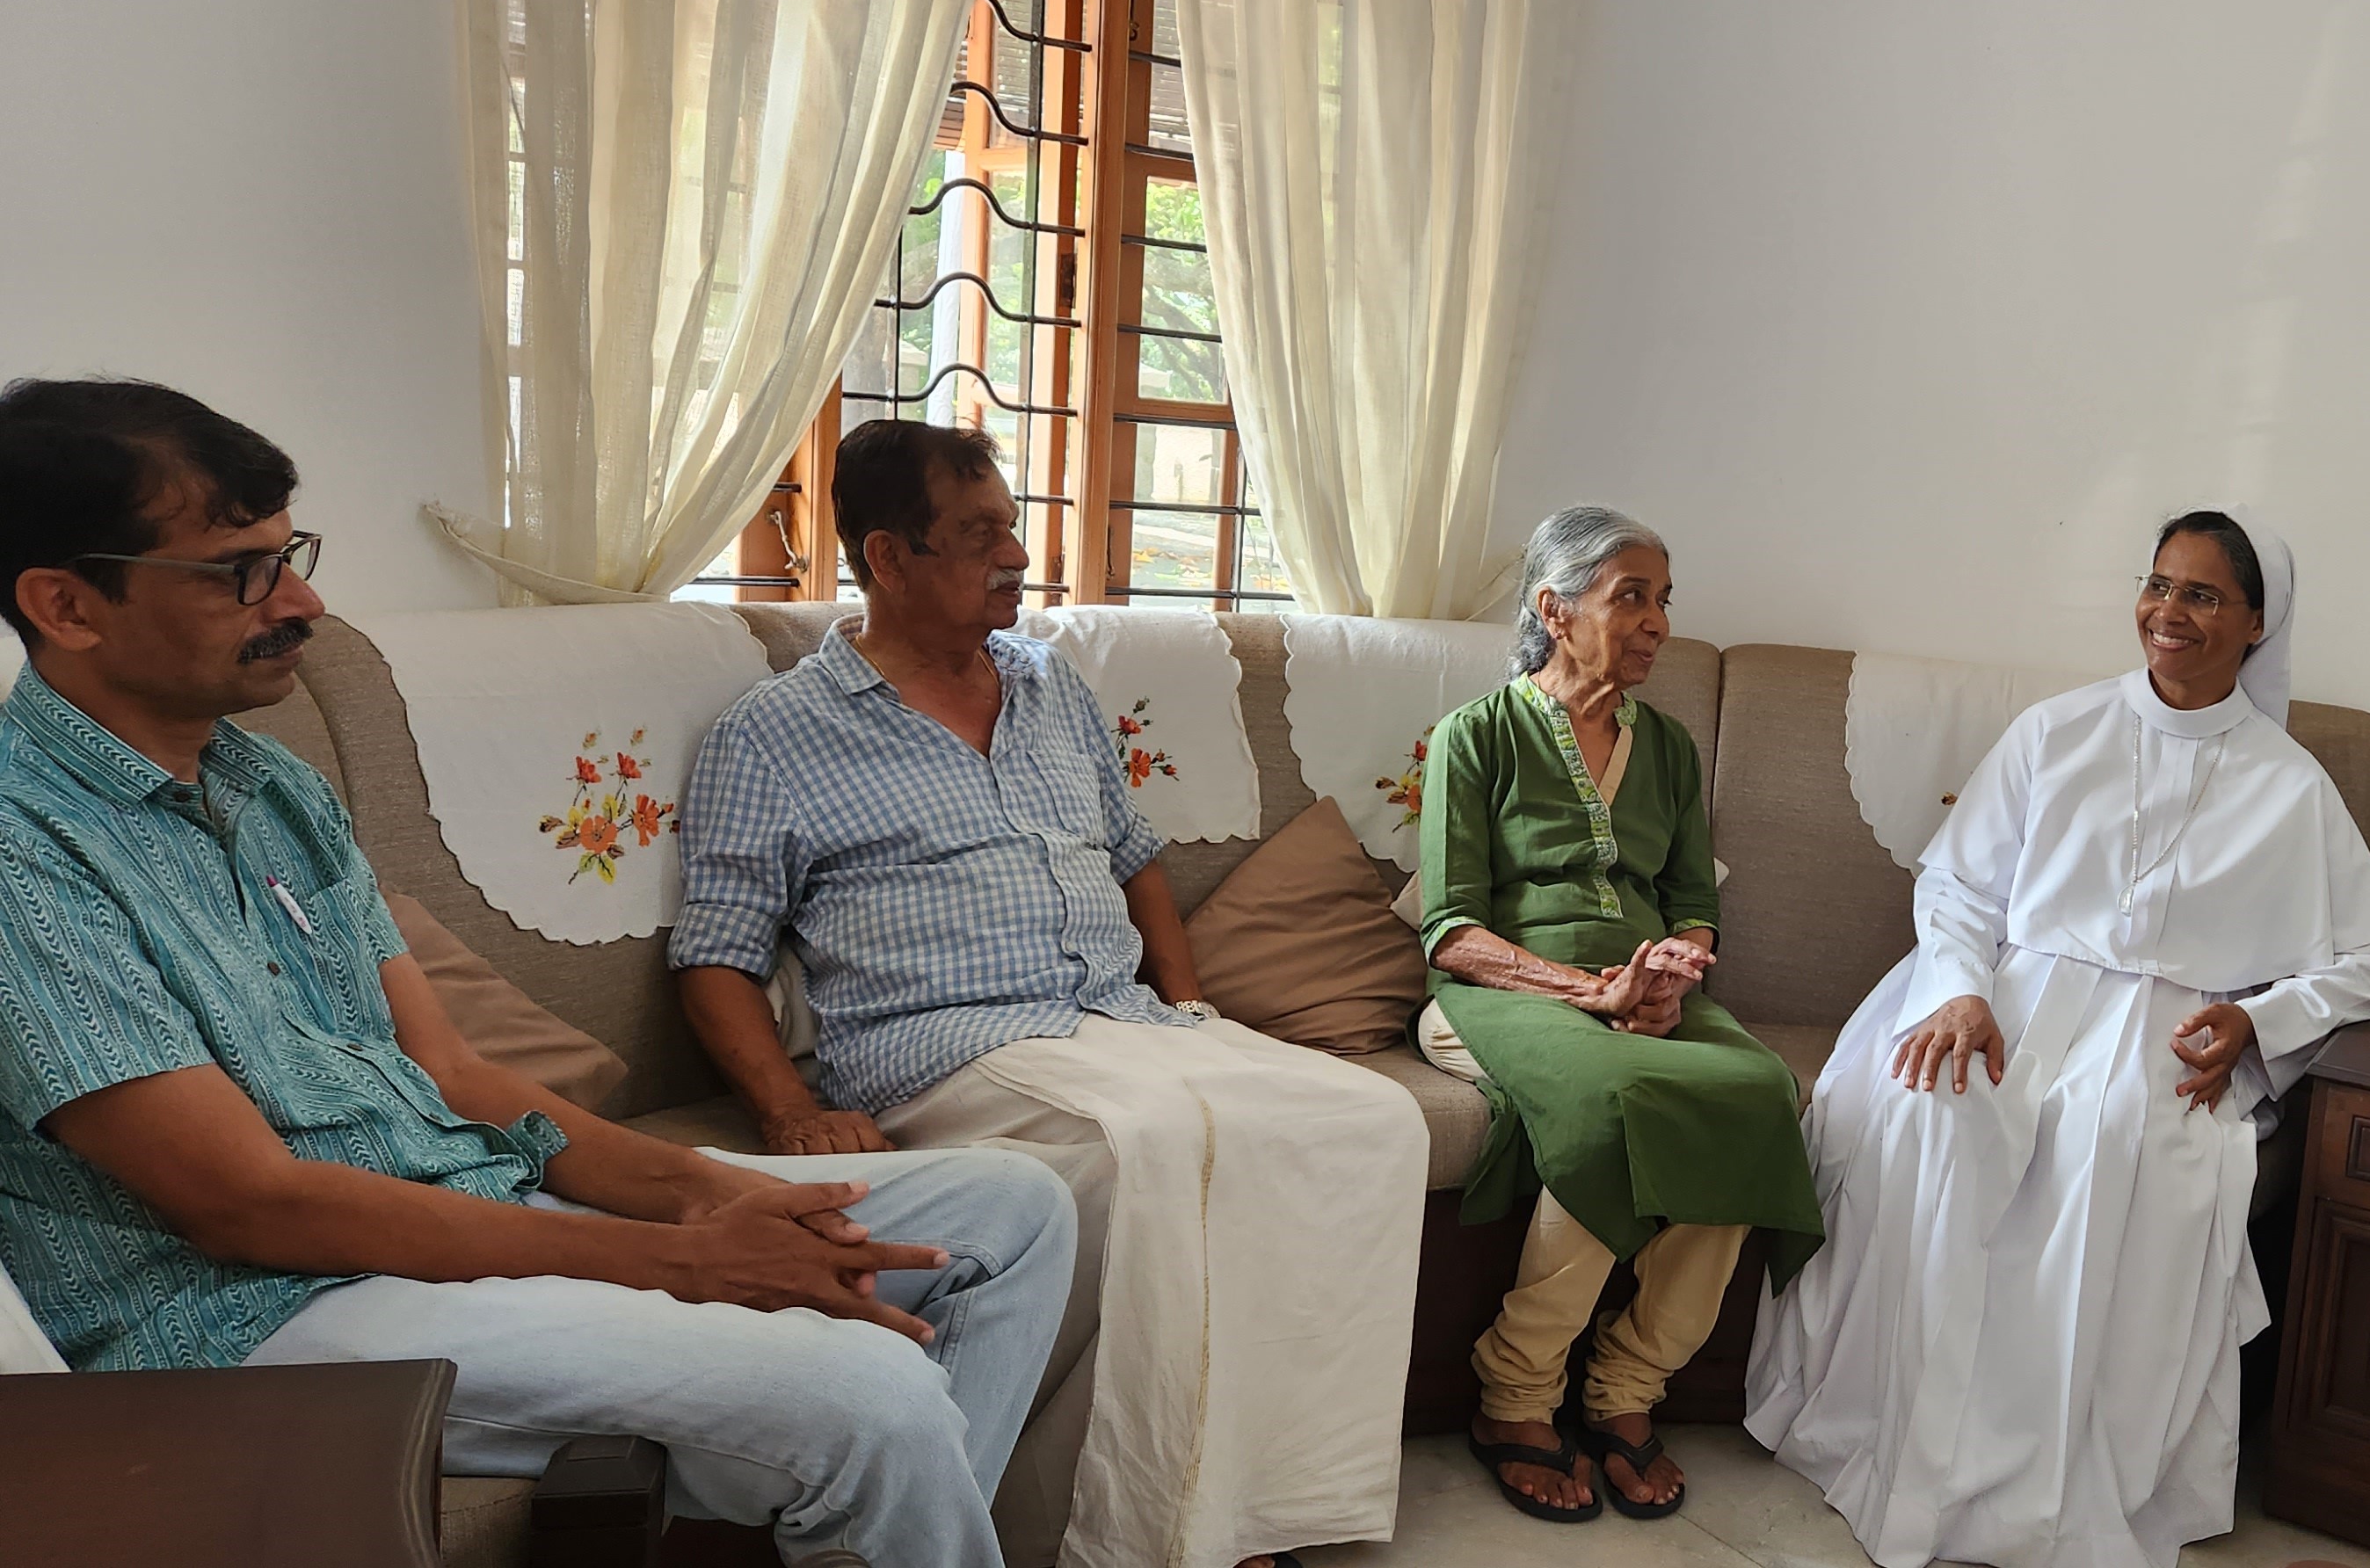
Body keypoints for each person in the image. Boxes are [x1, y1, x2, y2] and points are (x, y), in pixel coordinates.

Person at [0, 378, 1081, 1568]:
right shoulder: (22, 850)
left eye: (289, 553)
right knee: (870, 1392)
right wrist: (684, 1261)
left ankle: (869, 1523)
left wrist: (705, 1195)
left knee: (1014, 1206)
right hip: (254, 1307)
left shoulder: (274, 789)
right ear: (65, 604)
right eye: (238, 571)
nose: (302, 602)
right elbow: (248, 1202)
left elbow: (454, 1072)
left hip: (467, 1201)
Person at [668, 419, 1425, 1568]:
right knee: (1149, 1145)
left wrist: (1195, 1011)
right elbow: (713, 956)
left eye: (1012, 529)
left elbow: (1136, 861)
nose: (1015, 556)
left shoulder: (1048, 687)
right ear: (888, 557)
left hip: (1120, 1021)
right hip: (946, 1047)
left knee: (1365, 1118)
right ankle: (1112, 1530)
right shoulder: (773, 735)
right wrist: (786, 1110)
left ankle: (1265, 1502)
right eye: (980, 536)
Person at [1746, 507, 2370, 1568]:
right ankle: (1906, 1433)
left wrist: (2253, 1022)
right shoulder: (2059, 731)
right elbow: (1960, 883)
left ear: (2254, 622)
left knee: (2118, 1150)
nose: (2168, 612)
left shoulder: (2290, 784)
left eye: (2201, 594)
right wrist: (1959, 992)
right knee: (1934, 1108)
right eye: (2158, 585)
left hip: (2164, 1028)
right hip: (2010, 996)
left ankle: (2043, 1477)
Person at [1414, 504, 1822, 1524]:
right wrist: (1585, 993)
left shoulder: (1672, 750)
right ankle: (1514, 1396)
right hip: (1498, 995)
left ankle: (1627, 1387)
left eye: (1663, 599)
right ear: (1555, 610)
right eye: (1629, 596)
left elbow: (1693, 900)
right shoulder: (1476, 737)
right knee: (1613, 1097)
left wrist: (1675, 969)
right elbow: (1451, 931)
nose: (1655, 621)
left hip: (1640, 995)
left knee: (1757, 1092)